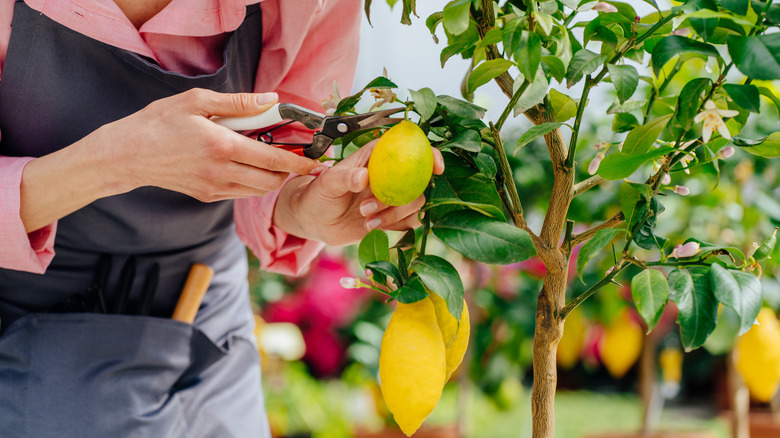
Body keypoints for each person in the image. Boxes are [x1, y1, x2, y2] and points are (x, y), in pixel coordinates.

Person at [0, 1, 444, 436]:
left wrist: (306, 208)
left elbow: (288, 147)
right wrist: (120, 161)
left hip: (204, 318)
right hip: (25, 320)